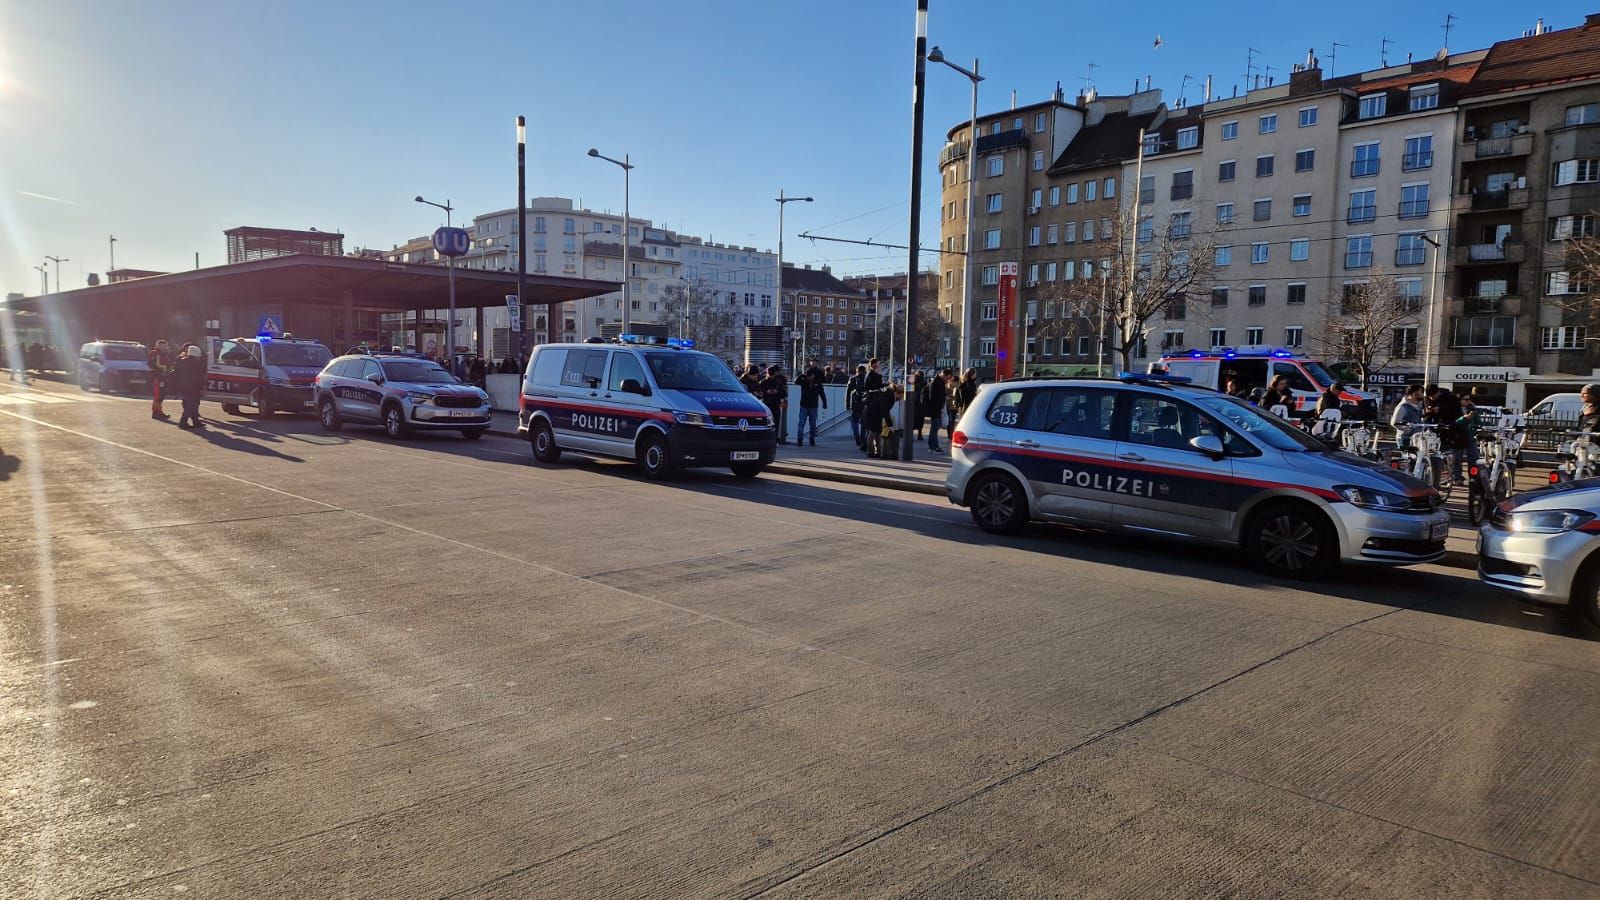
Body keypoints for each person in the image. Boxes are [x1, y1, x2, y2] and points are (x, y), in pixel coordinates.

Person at [174, 343, 208, 429]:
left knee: (189, 404)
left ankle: (195, 421)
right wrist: (202, 387)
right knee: (192, 405)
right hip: (193, 388)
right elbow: (198, 377)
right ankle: (183, 422)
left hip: (184, 386)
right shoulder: (195, 364)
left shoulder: (182, 361)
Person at [795, 363, 827, 446]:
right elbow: (796, 381)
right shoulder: (803, 382)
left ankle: (812, 438)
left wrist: (824, 402)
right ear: (807, 376)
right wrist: (801, 375)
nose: (811, 377)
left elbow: (822, 393)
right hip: (804, 406)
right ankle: (800, 439)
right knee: (802, 423)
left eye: (812, 376)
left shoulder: (817, 383)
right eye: (810, 376)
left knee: (812, 424)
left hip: (813, 406)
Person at [760, 364, 789, 444]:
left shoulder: (766, 382)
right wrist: (767, 392)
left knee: (774, 423)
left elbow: (783, 393)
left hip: (773, 404)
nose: (770, 376)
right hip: (769, 404)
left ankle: (774, 439)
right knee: (772, 423)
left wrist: (777, 392)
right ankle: (772, 439)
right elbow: (760, 393)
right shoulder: (765, 382)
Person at [1390, 385, 1424, 451]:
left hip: (1416, 438)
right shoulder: (1403, 406)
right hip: (1405, 438)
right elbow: (1394, 422)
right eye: (1421, 392)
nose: (1423, 394)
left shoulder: (1419, 406)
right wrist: (1408, 430)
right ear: (1415, 393)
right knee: (1407, 459)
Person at [924, 367, 949, 452]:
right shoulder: (936, 382)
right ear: (944, 375)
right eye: (947, 377)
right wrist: (943, 398)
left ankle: (934, 446)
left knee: (935, 428)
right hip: (935, 409)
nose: (948, 379)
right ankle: (933, 447)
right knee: (935, 428)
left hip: (936, 408)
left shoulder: (939, 382)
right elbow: (934, 397)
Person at [148, 339, 173, 420]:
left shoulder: (164, 354)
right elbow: (152, 364)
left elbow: (167, 365)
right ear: (160, 346)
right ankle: (156, 412)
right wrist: (160, 372)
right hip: (157, 377)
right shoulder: (154, 353)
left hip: (163, 377)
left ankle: (159, 411)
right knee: (158, 395)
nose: (166, 347)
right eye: (165, 346)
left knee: (161, 395)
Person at [846, 365, 870, 449]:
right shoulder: (867, 379)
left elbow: (848, 393)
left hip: (855, 404)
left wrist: (847, 405)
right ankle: (862, 440)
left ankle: (857, 437)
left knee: (854, 421)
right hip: (865, 404)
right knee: (864, 424)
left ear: (857, 371)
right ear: (864, 371)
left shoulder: (852, 379)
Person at [908, 371, 927, 440]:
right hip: (921, 404)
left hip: (913, 403)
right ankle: (920, 434)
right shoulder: (924, 383)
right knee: (920, 420)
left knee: (912, 419)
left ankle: (912, 434)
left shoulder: (913, 382)